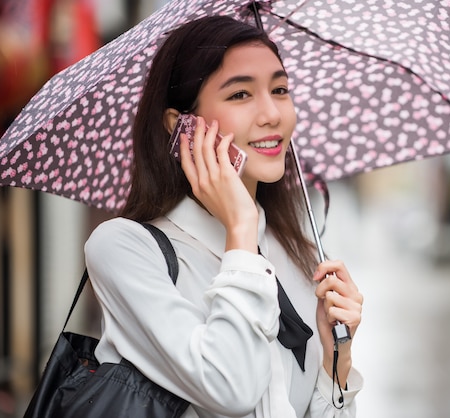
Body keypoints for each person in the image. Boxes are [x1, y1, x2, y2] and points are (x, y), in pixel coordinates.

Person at [84, 15, 364, 417]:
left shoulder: (297, 254)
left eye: (280, 89)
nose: (272, 114)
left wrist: (336, 362)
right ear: (180, 126)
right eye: (240, 95)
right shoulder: (124, 249)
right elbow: (230, 390)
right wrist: (239, 228)